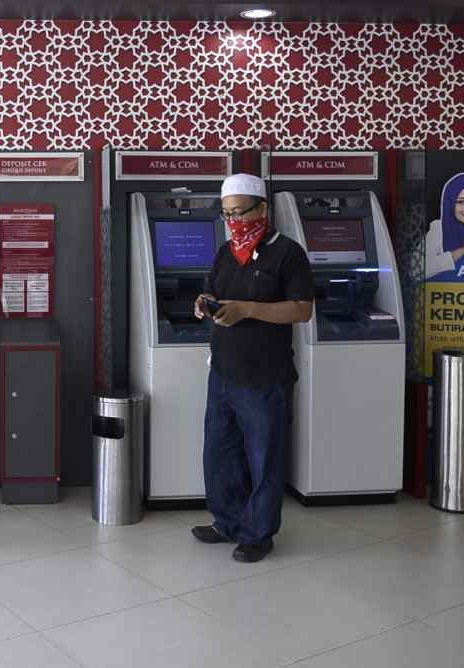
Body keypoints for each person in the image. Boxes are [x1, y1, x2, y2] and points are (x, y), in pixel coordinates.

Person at [190, 173, 314, 563]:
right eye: (227, 214)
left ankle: (258, 534)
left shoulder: (288, 253)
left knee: (264, 457)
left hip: (265, 376)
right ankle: (227, 522)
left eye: (240, 212)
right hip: (223, 371)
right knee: (220, 452)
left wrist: (248, 310)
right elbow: (213, 289)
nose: (234, 222)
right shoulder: (227, 251)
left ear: (263, 208)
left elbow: (302, 309)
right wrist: (203, 301)